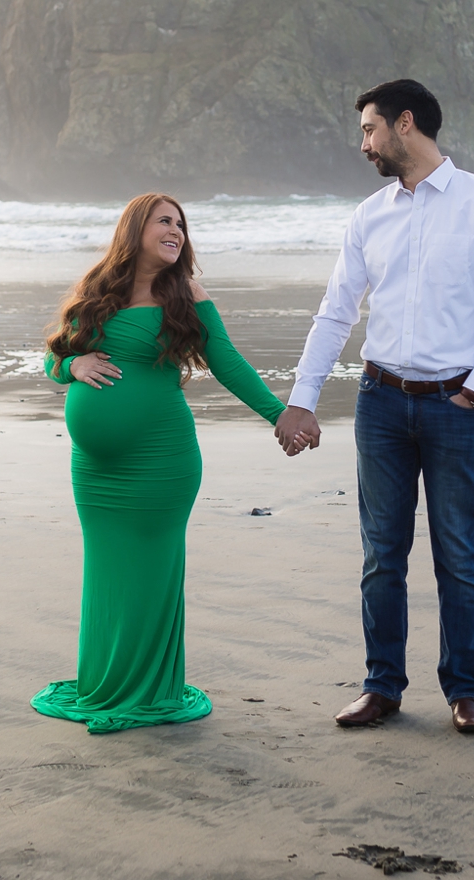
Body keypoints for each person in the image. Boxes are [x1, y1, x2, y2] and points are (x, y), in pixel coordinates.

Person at [274, 79, 474, 735]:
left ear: (404, 124)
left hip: (457, 406)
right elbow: (337, 314)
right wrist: (302, 400)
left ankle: (465, 692)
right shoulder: (369, 216)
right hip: (381, 404)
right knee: (381, 555)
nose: (363, 143)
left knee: (458, 554)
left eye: (369, 129)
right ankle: (382, 686)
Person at [34, 192, 292, 734]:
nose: (176, 230)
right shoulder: (97, 289)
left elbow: (227, 362)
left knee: (150, 573)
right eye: (165, 221)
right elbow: (52, 357)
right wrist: (73, 365)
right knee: (105, 573)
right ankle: (105, 681)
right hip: (95, 471)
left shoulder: (186, 294)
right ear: (135, 228)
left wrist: (279, 414)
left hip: (160, 463)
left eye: (181, 224)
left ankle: (149, 689)